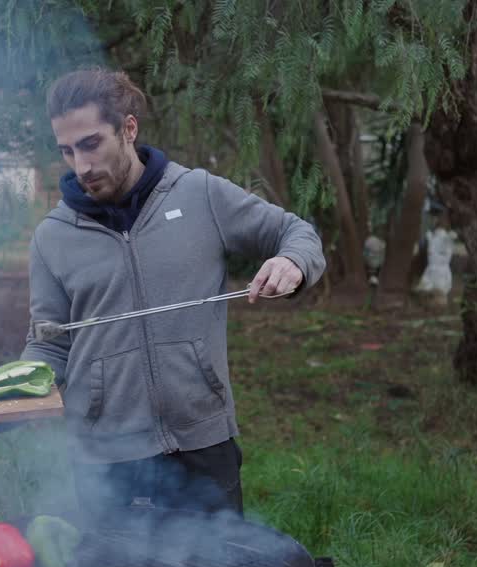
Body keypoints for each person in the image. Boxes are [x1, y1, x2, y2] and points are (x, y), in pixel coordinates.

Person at [17, 68, 325, 516]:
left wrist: (292, 262)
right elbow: (49, 343)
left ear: (128, 128)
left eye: (90, 144)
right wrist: (13, 393)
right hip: (107, 460)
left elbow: (297, 233)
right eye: (67, 151)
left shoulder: (200, 194)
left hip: (203, 443)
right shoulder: (52, 237)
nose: (81, 166)